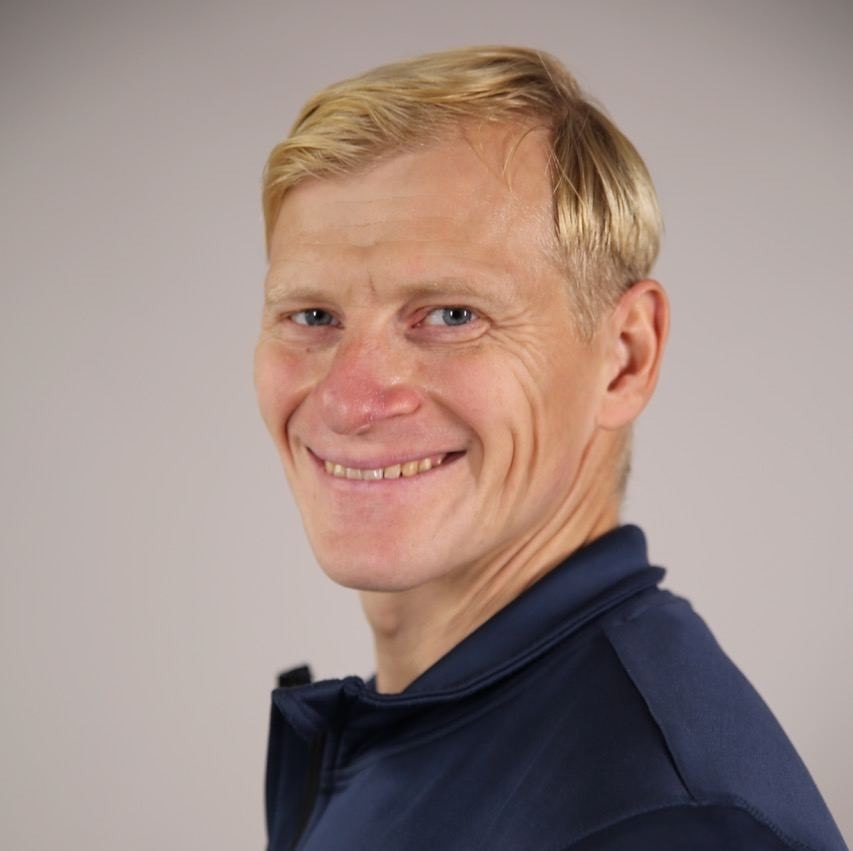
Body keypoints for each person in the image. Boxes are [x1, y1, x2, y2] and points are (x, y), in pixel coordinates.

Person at [253, 46, 847, 850]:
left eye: (452, 315)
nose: (350, 401)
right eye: (312, 316)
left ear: (625, 357)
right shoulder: (427, 737)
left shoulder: (667, 825)